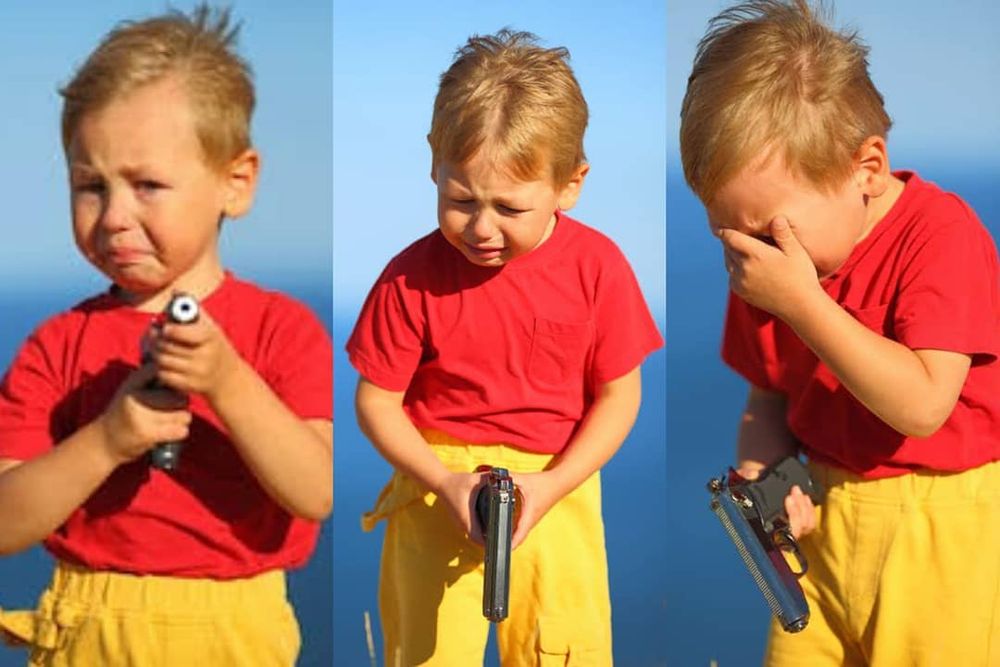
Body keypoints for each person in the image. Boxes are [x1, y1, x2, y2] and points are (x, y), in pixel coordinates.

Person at [0, 6, 332, 665]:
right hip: (84, 629)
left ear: (236, 183)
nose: (115, 215)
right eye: (90, 186)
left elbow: (314, 489)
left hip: (236, 631)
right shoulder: (55, 344)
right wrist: (110, 438)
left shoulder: (281, 331)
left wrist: (228, 381)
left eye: (148, 185)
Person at [680, 1, 1000, 665]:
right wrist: (759, 475)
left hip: (938, 531)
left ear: (867, 168)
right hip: (821, 523)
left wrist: (803, 304)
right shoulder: (774, 270)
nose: (751, 252)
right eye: (728, 232)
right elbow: (767, 398)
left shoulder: (940, 238)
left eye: (768, 229)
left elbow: (922, 404)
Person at [348, 29, 662, 666]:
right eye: (460, 199)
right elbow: (377, 401)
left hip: (556, 488)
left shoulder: (598, 269)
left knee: (563, 651)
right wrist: (442, 478)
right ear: (434, 163)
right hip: (436, 489)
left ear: (570, 184)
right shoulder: (409, 277)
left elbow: (619, 393)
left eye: (508, 208)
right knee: (427, 653)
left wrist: (552, 487)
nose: (481, 228)